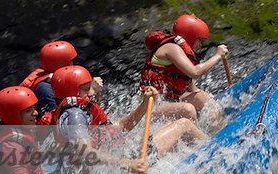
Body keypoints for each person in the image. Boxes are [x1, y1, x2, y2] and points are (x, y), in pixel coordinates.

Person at [50, 65, 208, 167]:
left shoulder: (76, 113)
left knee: (178, 125)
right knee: (184, 124)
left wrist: (145, 104)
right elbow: (84, 152)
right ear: (72, 92)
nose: (91, 93)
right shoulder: (75, 115)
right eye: (86, 89)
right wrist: (126, 164)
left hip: (121, 162)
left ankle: (190, 158)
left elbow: (121, 127)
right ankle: (212, 155)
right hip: (122, 170)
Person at [140, 14, 228, 123]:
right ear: (190, 36)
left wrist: (208, 99)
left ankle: (220, 130)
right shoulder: (172, 49)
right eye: (199, 40)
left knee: (201, 97)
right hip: (151, 105)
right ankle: (199, 138)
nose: (200, 44)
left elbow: (193, 89)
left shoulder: (183, 54)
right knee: (188, 110)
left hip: (168, 101)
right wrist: (217, 55)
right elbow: (195, 72)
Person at [20, 41, 77, 119]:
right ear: (60, 64)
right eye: (70, 62)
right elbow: (56, 120)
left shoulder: (60, 80)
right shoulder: (44, 88)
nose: (73, 65)